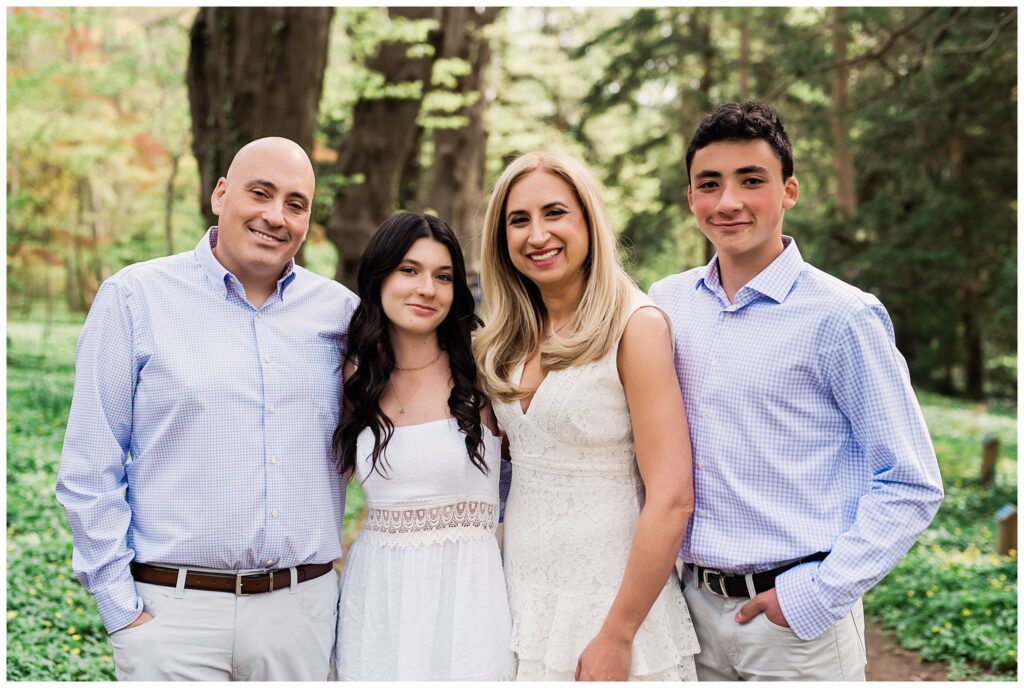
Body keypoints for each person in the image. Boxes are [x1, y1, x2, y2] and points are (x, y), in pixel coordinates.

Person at [649, 101, 944, 681]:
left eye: (751, 180)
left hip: (795, 627)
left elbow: (910, 483)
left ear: (788, 192)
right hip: (686, 615)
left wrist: (815, 595)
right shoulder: (666, 302)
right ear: (691, 200)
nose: (728, 201)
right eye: (710, 184)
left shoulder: (843, 317)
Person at [55, 137, 358, 681]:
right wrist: (122, 613)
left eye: (296, 203)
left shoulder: (342, 314)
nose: (275, 216)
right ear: (220, 194)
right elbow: (88, 466)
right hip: (171, 616)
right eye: (259, 193)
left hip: (302, 617)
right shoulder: (135, 297)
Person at [475, 151, 701, 681]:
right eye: (518, 220)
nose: (537, 235)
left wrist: (617, 636)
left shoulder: (636, 326)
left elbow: (672, 498)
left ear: (588, 222)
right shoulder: (503, 338)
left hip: (610, 608)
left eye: (555, 213)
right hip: (519, 599)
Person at [333, 212, 516, 680]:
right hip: (378, 597)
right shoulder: (353, 376)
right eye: (409, 271)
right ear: (379, 277)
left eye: (443, 276)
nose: (427, 288)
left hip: (471, 596)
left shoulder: (486, 369)